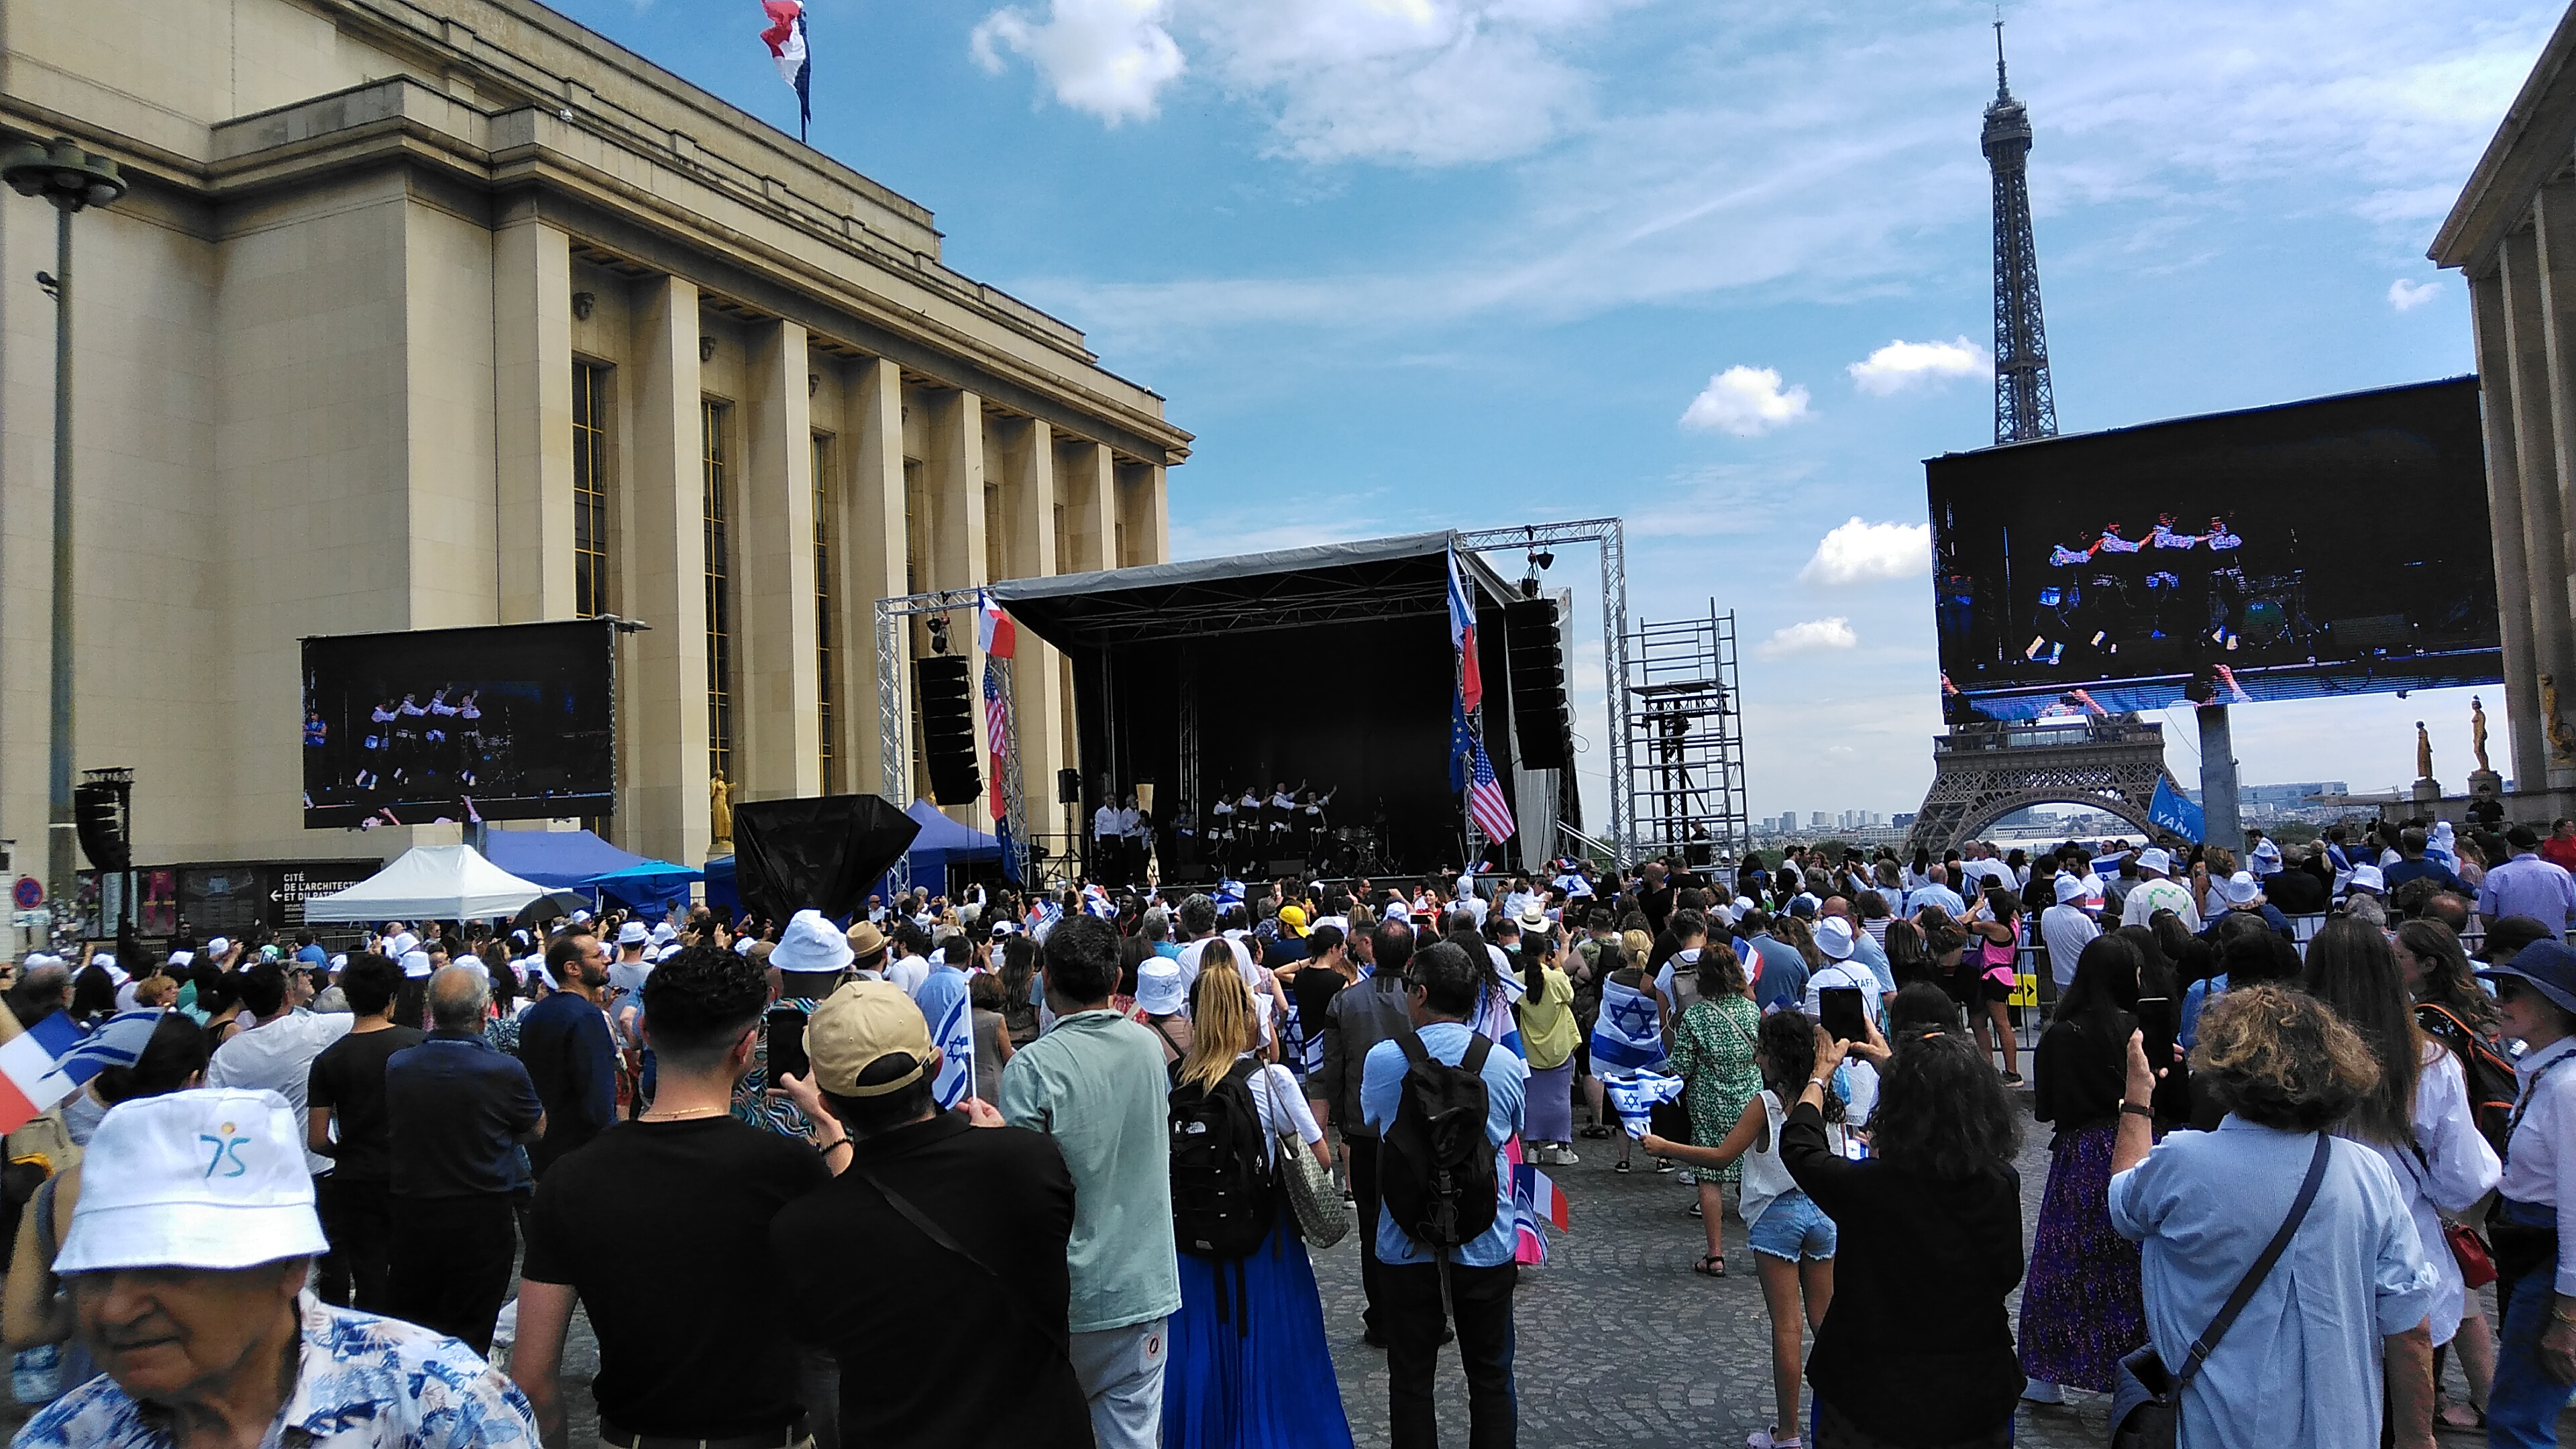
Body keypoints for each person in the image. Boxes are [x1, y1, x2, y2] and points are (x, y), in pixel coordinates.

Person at [16, 1087, 541, 1449]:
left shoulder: (440, 1409)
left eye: (167, 1268)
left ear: (287, 1267)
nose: (115, 1309)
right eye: (91, 1273)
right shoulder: (71, 1433)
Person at [515, 945, 835, 1449]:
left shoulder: (571, 1179)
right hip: (768, 1432)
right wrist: (831, 1130)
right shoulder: (789, 1167)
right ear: (746, 1047)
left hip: (637, 1433)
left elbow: (532, 1377)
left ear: (644, 1032)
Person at [2108, 985, 2438, 1449]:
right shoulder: (2367, 1173)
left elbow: (2122, 1203)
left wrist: (2138, 1099)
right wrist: (2417, 1438)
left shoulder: (2184, 1162)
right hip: (2343, 1432)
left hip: (2216, 1432)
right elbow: (2410, 1328)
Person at [773, 979, 1091, 1447]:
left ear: (825, 1101)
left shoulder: (802, 1230)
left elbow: (819, 1335)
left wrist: (832, 1139)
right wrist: (1003, 1144)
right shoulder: (1029, 1161)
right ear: (936, 1064)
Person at [2300, 916, 2500, 1445]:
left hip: (2307, 1271)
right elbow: (2462, 1182)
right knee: (2402, 1419)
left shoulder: (2288, 1062)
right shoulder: (2428, 1062)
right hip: (2405, 1267)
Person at [1784, 1025, 2023, 1446]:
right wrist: (1898, 1071)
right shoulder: (1999, 1183)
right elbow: (2007, 1273)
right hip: (1974, 1389)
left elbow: (1802, 1146)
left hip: (1870, 1392)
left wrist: (1820, 1076)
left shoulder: (1871, 1187)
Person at [998, 915, 1181, 1449]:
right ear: (1116, 981)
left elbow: (1020, 1189)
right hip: (1142, 1285)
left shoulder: (1032, 1069)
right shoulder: (1148, 1048)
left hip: (1064, 1294)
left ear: (1046, 980)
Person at [1161, 965, 1352, 1449]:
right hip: (1267, 1244)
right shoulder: (1273, 1080)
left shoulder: (1173, 1081)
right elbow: (1320, 1158)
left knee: (1203, 1357)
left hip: (1195, 1245)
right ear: (1245, 1014)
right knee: (1278, 1356)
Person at [1644, 1010, 1845, 1449]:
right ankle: (1845, 1418)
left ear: (1776, 1056)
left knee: (1787, 1329)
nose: (1757, 1057)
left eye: (1762, 1050)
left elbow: (1721, 1157)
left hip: (1776, 1218)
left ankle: (1788, 1433)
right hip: (1822, 1213)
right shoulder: (1825, 1098)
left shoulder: (1767, 1105)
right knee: (1827, 1325)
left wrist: (1664, 1147)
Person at [1360, 941, 1527, 1449]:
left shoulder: (1385, 1060)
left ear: (1422, 994)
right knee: (1492, 1377)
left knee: (1411, 1381)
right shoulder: (1499, 1063)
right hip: (1486, 1239)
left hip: (1404, 1240)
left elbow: (1373, 1121)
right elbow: (1511, 1131)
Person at [1, 1014, 207, 1405]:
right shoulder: (229, 1182)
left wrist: (95, 1309)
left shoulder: (57, 1191)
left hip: (96, 1391)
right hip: (207, 1392)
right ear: (193, 1081)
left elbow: (22, 1326)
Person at [382, 965, 545, 1356]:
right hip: (481, 1211)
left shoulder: (399, 1065)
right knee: (473, 1323)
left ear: (431, 1009)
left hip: (415, 1210)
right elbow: (536, 1129)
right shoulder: (504, 1069)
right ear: (485, 1011)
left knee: (417, 1323)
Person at [2017, 934, 2147, 1405]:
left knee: (2063, 1264)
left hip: (2079, 1156)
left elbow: (2045, 1108)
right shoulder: (2139, 1030)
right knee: (2130, 1265)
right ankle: (2133, 1370)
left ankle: (2046, 1372)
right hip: (2135, 1143)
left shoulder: (2060, 1034)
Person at [2475, 938, 2576, 1447]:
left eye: (2511, 990)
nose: (2498, 1000)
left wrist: (2567, 1314)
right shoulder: (2545, 1073)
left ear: (2554, 1005)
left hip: (2550, 1259)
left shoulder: (2567, 1086)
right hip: (2533, 1250)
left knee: (2517, 1418)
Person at [303, 951, 424, 1311]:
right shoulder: (418, 1045)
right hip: (413, 1175)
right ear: (392, 999)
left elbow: (317, 1138)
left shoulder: (328, 1060)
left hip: (357, 1178)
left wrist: (346, 1151)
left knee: (370, 1276)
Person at [1316, 918, 1417, 1347]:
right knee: (1419, 1217)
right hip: (1415, 1127)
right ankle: (1421, 1311)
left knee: (1372, 1223)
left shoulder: (1345, 1002)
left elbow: (1332, 1068)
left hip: (1364, 1128)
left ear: (1370, 949)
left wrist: (1342, 1116)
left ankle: (1381, 1315)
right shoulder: (1422, 999)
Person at [1662, 944, 1764, 1277]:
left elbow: (1681, 1066)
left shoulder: (1695, 1016)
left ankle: (1715, 1254)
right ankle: (1764, 1246)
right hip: (1750, 1098)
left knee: (1709, 1174)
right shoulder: (1752, 1011)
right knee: (1755, 1171)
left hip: (1708, 1099)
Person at [518, 928, 617, 1177]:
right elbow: (598, 1102)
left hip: (544, 1152)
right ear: (573, 968)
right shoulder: (587, 1017)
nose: (607, 959)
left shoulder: (536, 1014)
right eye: (598, 955)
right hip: (581, 1155)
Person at [1959, 885, 2023, 1084]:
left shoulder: (1993, 928)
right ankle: (1993, 1069)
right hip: (2003, 976)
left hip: (1992, 977)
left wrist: (1976, 907)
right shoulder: (2014, 924)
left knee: (2001, 1024)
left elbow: (1966, 925)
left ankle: (2011, 1072)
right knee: (1980, 1022)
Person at [2483, 824, 2576, 937]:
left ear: (2510, 846)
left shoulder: (2496, 875)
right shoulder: (2560, 874)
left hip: (2512, 945)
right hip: (2552, 942)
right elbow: (2572, 911)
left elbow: (2486, 916)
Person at [2038, 873, 2100, 995]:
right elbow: (2099, 948)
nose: (2085, 896)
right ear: (2071, 899)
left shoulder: (2047, 914)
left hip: (2060, 980)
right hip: (2082, 980)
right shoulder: (2082, 920)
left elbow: (2045, 940)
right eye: (2081, 895)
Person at [2119, 847, 2202, 933]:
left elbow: (2129, 931)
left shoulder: (2137, 894)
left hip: (2150, 945)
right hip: (2184, 945)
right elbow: (2195, 929)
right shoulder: (2184, 894)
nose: (2139, 871)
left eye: (2141, 867)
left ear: (2150, 868)